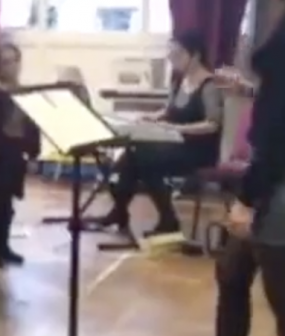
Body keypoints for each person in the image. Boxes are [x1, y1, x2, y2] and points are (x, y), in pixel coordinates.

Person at [219, 0, 285, 336]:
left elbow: (278, 132)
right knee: (231, 271)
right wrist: (250, 89)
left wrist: (247, 199)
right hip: (270, 181)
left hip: (275, 188)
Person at [89, 33, 223, 236]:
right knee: (136, 154)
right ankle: (134, 213)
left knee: (142, 157)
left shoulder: (209, 85)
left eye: (177, 54)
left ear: (195, 55)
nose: (172, 58)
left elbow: (212, 124)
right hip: (173, 144)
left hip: (197, 150)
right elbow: (169, 111)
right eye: (171, 54)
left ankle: (128, 212)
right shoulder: (180, 81)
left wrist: (177, 129)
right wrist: (151, 118)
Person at [0, 42, 40, 266]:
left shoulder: (25, 92)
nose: (12, 66)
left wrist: (34, 154)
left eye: (15, 60)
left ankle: (4, 246)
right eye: (6, 62)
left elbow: (33, 126)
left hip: (17, 152)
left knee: (8, 204)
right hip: (0, 153)